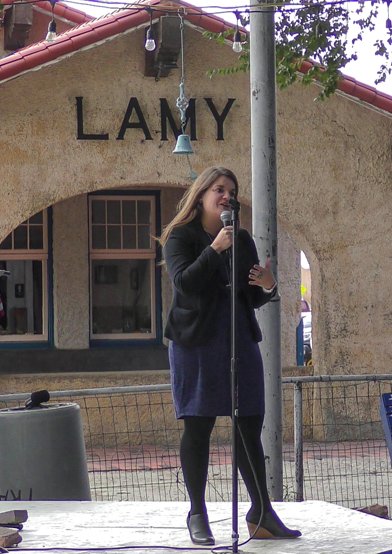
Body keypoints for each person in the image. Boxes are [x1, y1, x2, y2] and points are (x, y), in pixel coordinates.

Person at [161, 166, 301, 545]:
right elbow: (185, 283)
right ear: (202, 194)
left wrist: (269, 287)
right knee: (199, 425)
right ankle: (197, 513)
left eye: (232, 191)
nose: (228, 196)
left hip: (239, 341)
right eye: (220, 189)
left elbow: (250, 296)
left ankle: (261, 512)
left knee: (249, 424)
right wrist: (214, 250)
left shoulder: (241, 238)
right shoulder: (180, 236)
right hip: (196, 345)